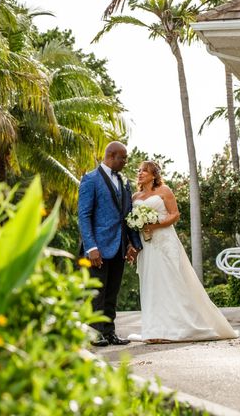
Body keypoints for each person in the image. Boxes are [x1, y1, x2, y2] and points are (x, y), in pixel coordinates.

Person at [131, 161, 238, 343]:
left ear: (154, 175)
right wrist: (137, 229)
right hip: (146, 245)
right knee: (152, 284)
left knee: (172, 282)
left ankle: (181, 326)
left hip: (164, 241)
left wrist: (154, 225)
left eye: (145, 171)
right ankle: (155, 330)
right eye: (139, 171)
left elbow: (174, 215)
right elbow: (131, 221)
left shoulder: (165, 191)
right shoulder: (135, 197)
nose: (140, 173)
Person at [77, 141, 142, 347]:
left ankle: (110, 332)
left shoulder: (124, 181)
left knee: (112, 292)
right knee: (97, 293)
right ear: (112, 156)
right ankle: (95, 333)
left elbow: (127, 215)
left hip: (119, 246)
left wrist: (134, 244)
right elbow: (84, 215)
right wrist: (91, 247)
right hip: (97, 248)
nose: (125, 162)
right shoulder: (90, 179)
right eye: (123, 158)